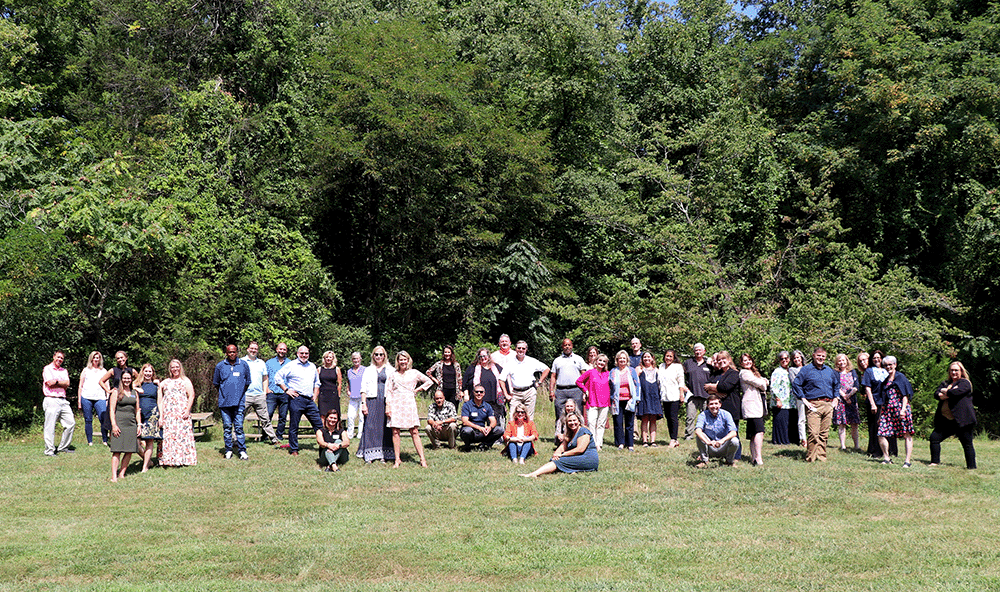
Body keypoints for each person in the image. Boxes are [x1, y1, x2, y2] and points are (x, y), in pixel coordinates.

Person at [274, 345, 324, 458]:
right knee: (294, 426)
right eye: (302, 353)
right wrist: (286, 390)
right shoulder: (291, 365)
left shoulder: (312, 366)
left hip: (309, 400)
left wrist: (315, 395)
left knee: (318, 424)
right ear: (297, 354)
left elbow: (317, 382)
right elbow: (278, 377)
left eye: (306, 353)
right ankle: (294, 449)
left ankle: (323, 445)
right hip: (296, 398)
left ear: (309, 354)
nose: (304, 355)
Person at [791, 348, 840, 463]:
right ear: (813, 355)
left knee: (824, 433)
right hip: (813, 404)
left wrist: (836, 398)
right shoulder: (806, 370)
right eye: (818, 355)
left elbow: (836, 385)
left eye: (823, 356)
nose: (821, 358)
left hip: (828, 404)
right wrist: (803, 399)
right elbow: (796, 384)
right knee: (813, 433)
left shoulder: (829, 370)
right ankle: (810, 458)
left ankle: (821, 456)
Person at [385, 351, 432, 468]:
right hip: (396, 404)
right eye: (400, 359)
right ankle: (397, 459)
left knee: (414, 431)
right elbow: (388, 391)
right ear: (397, 361)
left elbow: (429, 381)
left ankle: (422, 459)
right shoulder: (393, 374)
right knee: (395, 432)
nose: (403, 362)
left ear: (408, 360)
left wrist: (418, 390)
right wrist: (388, 405)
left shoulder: (414, 373)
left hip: (409, 403)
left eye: (405, 359)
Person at [520, 411, 598, 477]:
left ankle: (534, 474)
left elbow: (580, 449)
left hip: (588, 459)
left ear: (579, 421)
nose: (572, 423)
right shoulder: (570, 434)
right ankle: (571, 471)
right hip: (579, 457)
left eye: (574, 420)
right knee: (554, 459)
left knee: (559, 461)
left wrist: (562, 455)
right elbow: (561, 448)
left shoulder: (583, 431)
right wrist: (556, 454)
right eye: (570, 421)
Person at [929, 361, 976, 469]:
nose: (954, 372)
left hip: (962, 420)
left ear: (961, 371)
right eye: (952, 370)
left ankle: (972, 467)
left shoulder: (965, 383)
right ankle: (934, 462)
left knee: (967, 444)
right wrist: (947, 391)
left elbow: (957, 393)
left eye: (956, 370)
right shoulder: (945, 383)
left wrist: (945, 392)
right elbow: (936, 394)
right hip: (946, 420)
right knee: (934, 438)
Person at [875, 356, 915, 467]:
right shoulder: (885, 381)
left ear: (895, 365)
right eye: (886, 365)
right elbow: (883, 399)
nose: (888, 367)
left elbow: (905, 395)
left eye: (890, 364)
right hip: (887, 411)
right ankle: (886, 458)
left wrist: (903, 410)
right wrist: (880, 415)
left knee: (906, 434)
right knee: (881, 433)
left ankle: (907, 461)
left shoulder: (901, 378)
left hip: (901, 409)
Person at [213, 344, 251, 460]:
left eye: (234, 352)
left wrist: (238, 393)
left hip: (239, 402)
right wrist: (226, 393)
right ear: (226, 353)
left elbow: (247, 382)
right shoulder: (220, 366)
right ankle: (228, 450)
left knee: (239, 427)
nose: (232, 354)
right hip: (225, 403)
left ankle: (242, 451)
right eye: (230, 352)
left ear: (237, 352)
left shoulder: (243, 364)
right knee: (227, 427)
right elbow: (216, 384)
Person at [357, 346, 395, 462]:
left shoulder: (391, 370)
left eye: (381, 354)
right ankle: (370, 454)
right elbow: (363, 388)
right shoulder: (368, 370)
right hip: (371, 400)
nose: (379, 356)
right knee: (370, 426)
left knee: (385, 427)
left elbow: (394, 387)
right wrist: (363, 404)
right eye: (376, 354)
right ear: (373, 356)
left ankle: (385, 453)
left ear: (385, 356)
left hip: (386, 401)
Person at [157, 359, 197, 467]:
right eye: (173, 367)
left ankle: (184, 459)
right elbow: (160, 401)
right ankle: (169, 460)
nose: (175, 369)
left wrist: (187, 410)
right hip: (169, 414)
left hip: (181, 412)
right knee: (169, 436)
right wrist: (161, 416)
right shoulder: (165, 382)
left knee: (182, 436)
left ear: (180, 368)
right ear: (170, 369)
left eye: (177, 367)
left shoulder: (185, 380)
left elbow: (191, 395)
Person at [242, 341, 279, 446]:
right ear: (248, 349)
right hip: (246, 395)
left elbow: (265, 378)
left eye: (255, 349)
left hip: (259, 395)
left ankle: (274, 439)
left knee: (265, 419)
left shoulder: (261, 363)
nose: (253, 350)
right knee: (239, 418)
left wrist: (264, 392)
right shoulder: (241, 362)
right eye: (252, 348)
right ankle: (235, 440)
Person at [861, 350, 896, 457]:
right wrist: (872, 403)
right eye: (874, 358)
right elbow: (867, 388)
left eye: (878, 357)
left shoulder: (888, 370)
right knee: (875, 427)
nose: (876, 360)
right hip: (875, 402)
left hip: (887, 402)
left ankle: (891, 451)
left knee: (889, 427)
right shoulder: (869, 371)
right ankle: (874, 451)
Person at [109, 369, 142, 481]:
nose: (127, 380)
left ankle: (122, 473)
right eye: (124, 378)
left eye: (129, 378)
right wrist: (114, 425)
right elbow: (112, 410)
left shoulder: (135, 393)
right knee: (117, 450)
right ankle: (114, 475)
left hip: (131, 424)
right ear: (121, 379)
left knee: (129, 450)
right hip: (119, 423)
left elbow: (137, 410)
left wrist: (139, 425)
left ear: (131, 379)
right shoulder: (116, 391)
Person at [463, 347, 509, 427]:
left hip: (494, 401)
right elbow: (465, 383)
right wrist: (465, 394)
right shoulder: (472, 368)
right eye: (480, 356)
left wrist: (505, 395)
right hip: (477, 402)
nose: (483, 358)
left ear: (488, 356)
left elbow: (504, 381)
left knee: (495, 424)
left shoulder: (497, 368)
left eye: (485, 355)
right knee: (476, 423)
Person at [504, 340, 550, 422]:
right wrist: (506, 394)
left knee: (529, 418)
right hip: (516, 393)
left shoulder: (531, 361)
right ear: (515, 349)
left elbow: (546, 369)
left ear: (526, 349)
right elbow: (501, 379)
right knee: (512, 418)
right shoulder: (510, 363)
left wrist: (539, 382)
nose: (521, 350)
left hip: (529, 392)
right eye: (519, 348)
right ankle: (512, 434)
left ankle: (528, 434)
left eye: (523, 348)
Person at [42, 350, 75, 456]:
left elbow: (67, 383)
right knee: (50, 426)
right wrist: (60, 382)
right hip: (51, 399)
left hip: (63, 400)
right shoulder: (47, 369)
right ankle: (49, 450)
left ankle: (63, 447)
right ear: (53, 357)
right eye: (58, 357)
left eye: (62, 358)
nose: (60, 359)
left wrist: (56, 381)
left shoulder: (64, 370)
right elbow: (50, 383)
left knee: (70, 423)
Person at [738, 353, 769, 466]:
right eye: (745, 361)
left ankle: (754, 458)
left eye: (749, 360)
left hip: (757, 406)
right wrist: (763, 382)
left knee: (754, 433)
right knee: (759, 432)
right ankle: (758, 458)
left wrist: (764, 382)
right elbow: (761, 383)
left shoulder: (752, 372)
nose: (747, 362)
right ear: (741, 363)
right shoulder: (744, 373)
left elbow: (765, 381)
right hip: (751, 406)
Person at [576, 354, 611, 450]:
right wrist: (585, 390)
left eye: (604, 361)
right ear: (596, 361)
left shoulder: (608, 374)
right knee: (591, 423)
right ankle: (593, 443)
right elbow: (579, 381)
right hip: (592, 401)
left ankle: (599, 443)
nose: (601, 363)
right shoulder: (590, 372)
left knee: (601, 424)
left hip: (604, 402)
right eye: (600, 360)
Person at [549, 338, 588, 425]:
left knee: (578, 414)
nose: (567, 347)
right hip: (561, 391)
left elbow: (584, 376)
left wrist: (585, 392)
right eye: (565, 345)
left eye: (569, 345)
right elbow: (553, 376)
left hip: (576, 390)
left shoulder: (579, 359)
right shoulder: (557, 360)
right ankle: (560, 436)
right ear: (562, 346)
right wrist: (551, 391)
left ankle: (577, 436)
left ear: (572, 346)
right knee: (560, 414)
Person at [694, 395, 740, 468]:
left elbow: (733, 432)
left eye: (716, 403)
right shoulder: (703, 415)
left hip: (723, 446)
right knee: (700, 435)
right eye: (711, 404)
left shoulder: (726, 414)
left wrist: (722, 441)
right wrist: (707, 442)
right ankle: (704, 461)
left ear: (720, 404)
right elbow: (697, 430)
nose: (714, 406)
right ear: (707, 405)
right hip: (710, 446)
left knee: (735, 440)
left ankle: (729, 461)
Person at [77, 351, 109, 446]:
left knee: (103, 418)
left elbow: (107, 386)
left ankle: (105, 440)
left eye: (98, 357)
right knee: (88, 419)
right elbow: (80, 386)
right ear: (91, 358)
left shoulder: (103, 371)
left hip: (100, 398)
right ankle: (90, 441)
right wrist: (79, 401)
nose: (96, 359)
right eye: (94, 357)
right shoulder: (86, 370)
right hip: (86, 397)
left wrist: (107, 398)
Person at [610, 350, 640, 450]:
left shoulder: (631, 371)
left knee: (629, 423)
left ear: (627, 360)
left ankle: (630, 444)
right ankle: (620, 443)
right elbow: (610, 386)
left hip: (629, 400)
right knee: (618, 423)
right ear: (617, 360)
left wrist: (637, 398)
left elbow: (637, 384)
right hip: (617, 400)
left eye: (624, 358)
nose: (622, 360)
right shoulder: (613, 371)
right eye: (620, 358)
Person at [682, 343, 711, 440]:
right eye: (696, 350)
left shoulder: (709, 364)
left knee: (707, 417)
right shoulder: (688, 363)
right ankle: (689, 435)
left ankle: (706, 435)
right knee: (690, 417)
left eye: (700, 350)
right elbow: (681, 376)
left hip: (706, 395)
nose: (698, 352)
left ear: (704, 351)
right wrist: (684, 387)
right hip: (692, 395)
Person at [658, 350, 686, 448]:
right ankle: (673, 438)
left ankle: (673, 439)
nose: (668, 358)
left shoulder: (677, 367)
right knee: (668, 418)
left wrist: (681, 394)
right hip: (664, 396)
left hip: (674, 396)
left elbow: (681, 381)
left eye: (670, 356)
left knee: (673, 418)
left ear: (673, 358)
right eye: (667, 356)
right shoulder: (661, 366)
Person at [460, 385, 504, 449]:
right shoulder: (467, 405)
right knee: (467, 431)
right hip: (472, 431)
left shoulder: (487, 406)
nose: (479, 393)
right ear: (473, 392)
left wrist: (490, 427)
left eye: (481, 392)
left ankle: (485, 445)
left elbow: (493, 421)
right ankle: (467, 446)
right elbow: (465, 422)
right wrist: (479, 428)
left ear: (484, 393)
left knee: (499, 430)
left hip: (482, 432)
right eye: (477, 392)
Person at [137, 363, 162, 472]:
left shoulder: (156, 386)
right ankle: (149, 461)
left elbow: (160, 402)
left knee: (149, 441)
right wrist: (135, 388)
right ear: (142, 372)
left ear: (153, 373)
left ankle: (145, 466)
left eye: (150, 371)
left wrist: (161, 417)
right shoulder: (137, 384)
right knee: (135, 442)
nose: (147, 373)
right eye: (145, 371)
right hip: (138, 416)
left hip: (152, 415)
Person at [833, 353, 861, 451]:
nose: (842, 362)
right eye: (839, 360)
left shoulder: (853, 372)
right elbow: (835, 386)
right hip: (841, 401)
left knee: (854, 424)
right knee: (842, 424)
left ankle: (856, 446)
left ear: (847, 361)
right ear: (837, 362)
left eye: (843, 360)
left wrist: (849, 395)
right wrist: (844, 396)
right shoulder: (835, 373)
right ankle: (843, 446)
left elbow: (856, 386)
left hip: (852, 401)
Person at [636, 352, 664, 447]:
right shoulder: (639, 369)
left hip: (654, 397)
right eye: (644, 357)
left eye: (648, 357)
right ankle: (644, 441)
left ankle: (653, 441)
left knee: (653, 420)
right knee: (644, 419)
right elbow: (635, 383)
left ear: (652, 358)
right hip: (644, 396)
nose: (646, 359)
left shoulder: (657, 370)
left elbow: (661, 384)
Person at [265, 342, 291, 443]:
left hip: (285, 393)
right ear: (276, 349)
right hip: (272, 392)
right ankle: (266, 435)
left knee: (283, 416)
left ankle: (279, 435)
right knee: (268, 415)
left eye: (284, 349)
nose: (282, 351)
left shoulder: (290, 363)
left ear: (286, 351)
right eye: (280, 349)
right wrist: (266, 389)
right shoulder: (269, 362)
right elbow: (265, 377)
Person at [769, 352, 792, 445]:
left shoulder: (789, 371)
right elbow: (773, 387)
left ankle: (785, 440)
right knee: (780, 422)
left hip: (789, 402)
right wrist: (778, 399)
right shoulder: (777, 372)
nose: (784, 360)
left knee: (786, 423)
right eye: (782, 359)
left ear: (789, 359)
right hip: (780, 401)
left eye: (786, 358)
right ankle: (779, 440)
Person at [345, 352, 367, 439]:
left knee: (362, 417)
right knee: (350, 416)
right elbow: (348, 382)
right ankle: (350, 434)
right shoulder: (349, 371)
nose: (356, 360)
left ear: (360, 359)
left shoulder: (365, 370)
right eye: (354, 359)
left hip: (362, 397)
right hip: (353, 397)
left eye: (357, 358)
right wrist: (348, 390)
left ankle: (360, 434)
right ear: (352, 360)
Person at [788, 350, 806, 447]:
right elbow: (795, 383)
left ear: (802, 357)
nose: (796, 359)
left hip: (812, 397)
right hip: (800, 397)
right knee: (802, 419)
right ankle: (803, 439)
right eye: (794, 358)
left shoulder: (808, 368)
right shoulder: (792, 370)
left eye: (798, 357)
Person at [317, 351, 343, 417]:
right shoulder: (319, 369)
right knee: (322, 415)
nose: (328, 359)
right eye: (327, 357)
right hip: (323, 395)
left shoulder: (337, 369)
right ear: (324, 358)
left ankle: (335, 427)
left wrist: (338, 395)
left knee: (334, 414)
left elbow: (339, 383)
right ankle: (323, 427)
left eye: (330, 357)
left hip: (333, 395)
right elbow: (316, 384)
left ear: (333, 359)